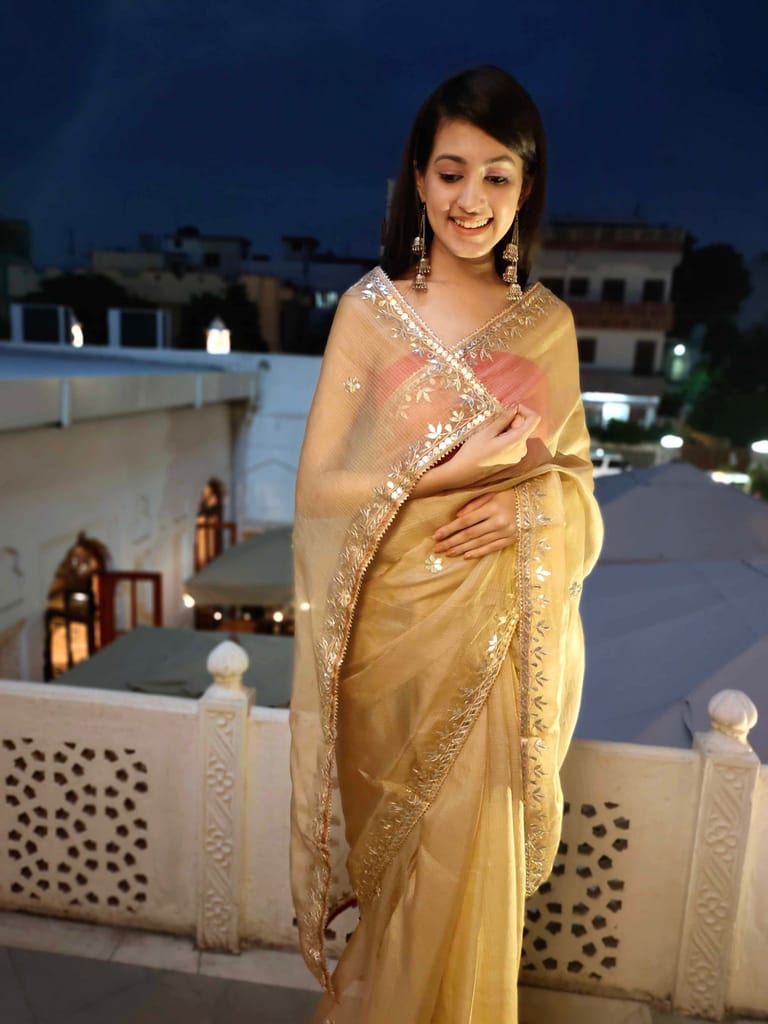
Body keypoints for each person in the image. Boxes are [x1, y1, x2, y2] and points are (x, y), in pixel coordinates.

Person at [289, 65, 603, 1024]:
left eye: (497, 176)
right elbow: (320, 489)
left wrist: (532, 511)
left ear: (526, 188)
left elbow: (575, 486)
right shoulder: (372, 313)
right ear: (418, 182)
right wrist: (447, 475)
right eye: (451, 172)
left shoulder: (548, 327)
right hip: (393, 642)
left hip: (498, 643)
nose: (472, 199)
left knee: (471, 869)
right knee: (405, 883)